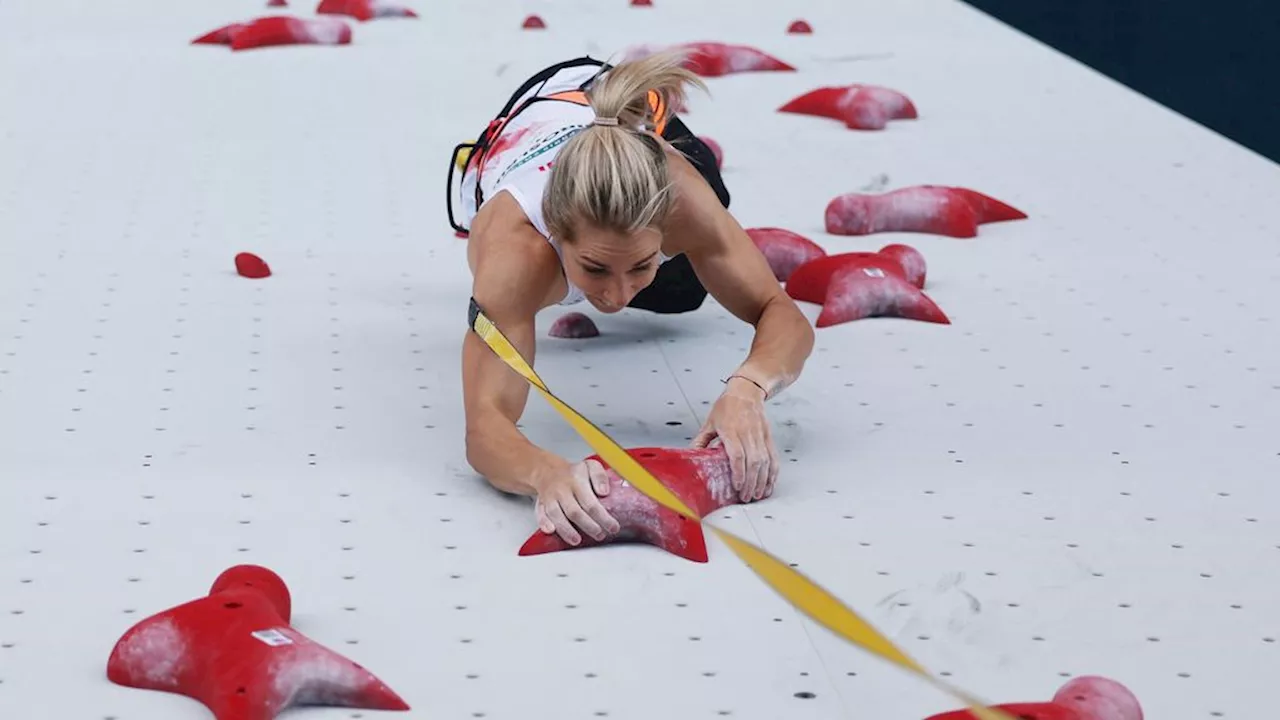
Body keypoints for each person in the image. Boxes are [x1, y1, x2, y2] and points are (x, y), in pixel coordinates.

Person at [450, 50, 814, 547]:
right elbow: (485, 428)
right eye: (594, 269)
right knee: (674, 281)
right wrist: (545, 473)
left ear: (667, 224)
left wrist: (748, 389)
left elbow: (783, 313)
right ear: (557, 235)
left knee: (685, 292)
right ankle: (678, 251)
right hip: (536, 110)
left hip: (623, 121)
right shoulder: (515, 258)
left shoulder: (685, 202)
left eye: (642, 265)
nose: (617, 297)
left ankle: (706, 229)